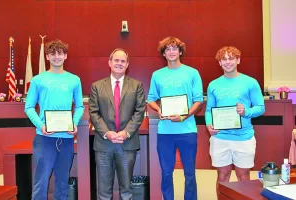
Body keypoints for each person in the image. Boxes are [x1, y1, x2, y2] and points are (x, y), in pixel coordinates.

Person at [24, 39, 84, 200]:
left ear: (65, 56)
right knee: (41, 182)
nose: (57, 57)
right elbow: (29, 107)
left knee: (63, 182)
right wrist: (40, 125)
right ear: (47, 56)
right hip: (44, 138)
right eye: (53, 54)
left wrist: (74, 122)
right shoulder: (38, 80)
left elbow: (79, 106)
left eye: (60, 53)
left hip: (66, 138)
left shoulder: (74, 80)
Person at [205, 46, 265, 197]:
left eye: (231, 58)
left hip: (244, 138)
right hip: (220, 138)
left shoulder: (250, 82)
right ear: (219, 63)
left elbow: (260, 107)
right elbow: (208, 110)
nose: (227, 62)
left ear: (238, 60)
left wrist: (246, 111)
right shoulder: (213, 85)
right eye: (224, 59)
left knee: (243, 178)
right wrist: (209, 124)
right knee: (222, 177)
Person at [147, 37, 203, 200]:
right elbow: (150, 98)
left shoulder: (192, 73)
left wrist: (184, 116)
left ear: (180, 51)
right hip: (165, 131)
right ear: (163, 54)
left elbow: (198, 99)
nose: (171, 52)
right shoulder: (157, 75)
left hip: (187, 130)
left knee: (190, 173)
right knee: (166, 173)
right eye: (167, 49)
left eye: (174, 48)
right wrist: (158, 109)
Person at [89, 48, 146, 200]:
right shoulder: (97, 86)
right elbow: (94, 113)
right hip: (103, 144)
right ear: (110, 62)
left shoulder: (137, 86)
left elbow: (139, 111)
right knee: (103, 191)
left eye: (123, 61)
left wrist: (126, 132)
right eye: (116, 60)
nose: (119, 64)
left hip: (127, 143)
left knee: (126, 191)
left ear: (127, 64)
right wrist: (107, 133)